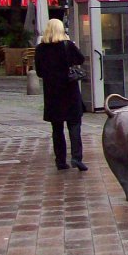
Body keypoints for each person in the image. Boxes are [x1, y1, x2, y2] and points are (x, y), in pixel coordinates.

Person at [34, 18, 88, 171]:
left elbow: (39, 72)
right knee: (74, 126)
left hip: (52, 94)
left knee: (57, 129)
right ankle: (77, 158)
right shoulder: (67, 45)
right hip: (69, 92)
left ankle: (60, 161)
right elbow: (80, 59)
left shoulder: (40, 49)